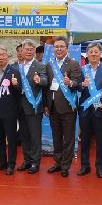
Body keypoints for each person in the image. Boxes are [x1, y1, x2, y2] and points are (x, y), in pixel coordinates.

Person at [44, 36, 81, 178]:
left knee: (68, 138)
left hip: (68, 107)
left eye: (61, 47)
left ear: (67, 49)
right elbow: (47, 87)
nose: (58, 49)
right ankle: (58, 162)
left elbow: (78, 82)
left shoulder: (73, 64)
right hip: (52, 107)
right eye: (56, 47)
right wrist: (46, 105)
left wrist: (70, 82)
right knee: (56, 137)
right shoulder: (49, 64)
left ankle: (66, 165)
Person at [77, 42, 102, 178]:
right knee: (84, 139)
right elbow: (78, 88)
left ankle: (99, 166)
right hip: (85, 108)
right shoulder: (82, 69)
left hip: (100, 108)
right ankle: (84, 165)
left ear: (100, 53)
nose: (93, 54)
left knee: (101, 139)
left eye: (96, 51)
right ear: (87, 54)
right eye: (90, 51)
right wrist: (82, 85)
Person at [17, 39, 48, 174]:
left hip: (34, 106)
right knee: (24, 135)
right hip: (19, 106)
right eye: (26, 49)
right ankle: (27, 160)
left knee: (35, 136)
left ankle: (35, 162)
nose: (28, 51)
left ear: (34, 51)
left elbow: (45, 80)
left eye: (31, 49)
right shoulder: (17, 66)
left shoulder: (40, 66)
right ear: (22, 51)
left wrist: (39, 80)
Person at [0, 45, 22, 175]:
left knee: (11, 139)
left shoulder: (14, 71)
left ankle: (11, 164)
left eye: (3, 54)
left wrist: (16, 85)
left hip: (10, 111)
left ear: (7, 56)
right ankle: (2, 162)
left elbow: (19, 90)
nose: (1, 57)